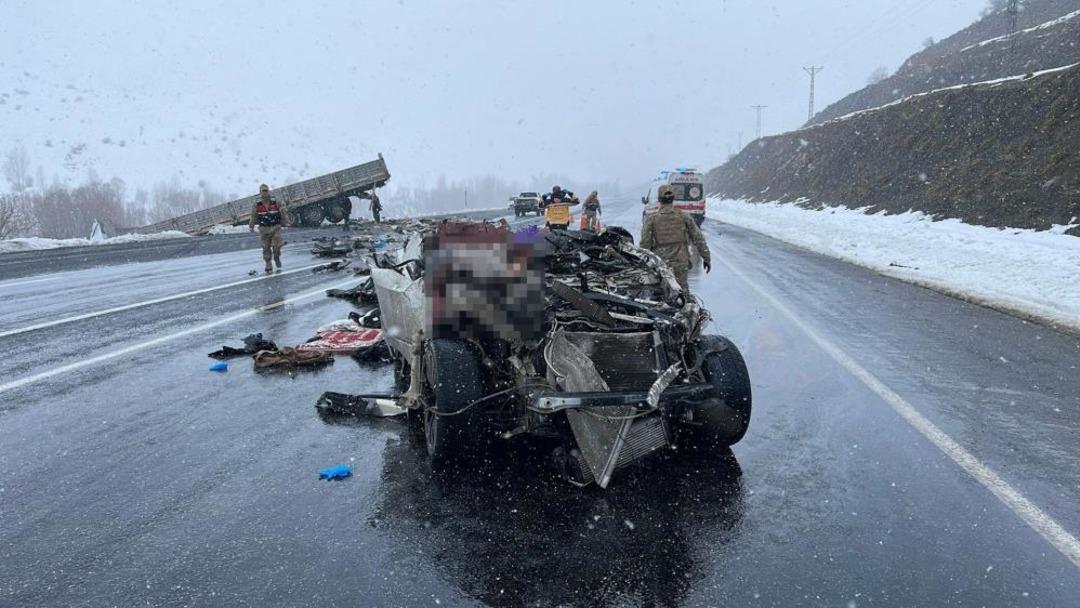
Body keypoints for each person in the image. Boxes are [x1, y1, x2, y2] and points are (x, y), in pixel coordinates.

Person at [639, 184, 711, 294]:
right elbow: (698, 238)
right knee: (682, 292)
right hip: (681, 261)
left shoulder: (651, 219)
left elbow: (645, 244)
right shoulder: (684, 216)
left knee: (660, 292)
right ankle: (685, 308)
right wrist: (706, 258)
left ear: (659, 199)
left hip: (661, 262)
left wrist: (643, 264)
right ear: (673, 198)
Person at [248, 183, 289, 273]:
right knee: (265, 248)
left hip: (275, 227)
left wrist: (286, 221)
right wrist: (251, 226)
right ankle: (268, 264)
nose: (265, 193)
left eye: (266, 191)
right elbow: (253, 216)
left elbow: (283, 211)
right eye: (263, 191)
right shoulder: (257, 204)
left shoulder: (275, 201)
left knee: (276, 246)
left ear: (268, 191)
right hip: (264, 229)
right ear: (260, 192)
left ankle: (277, 257)